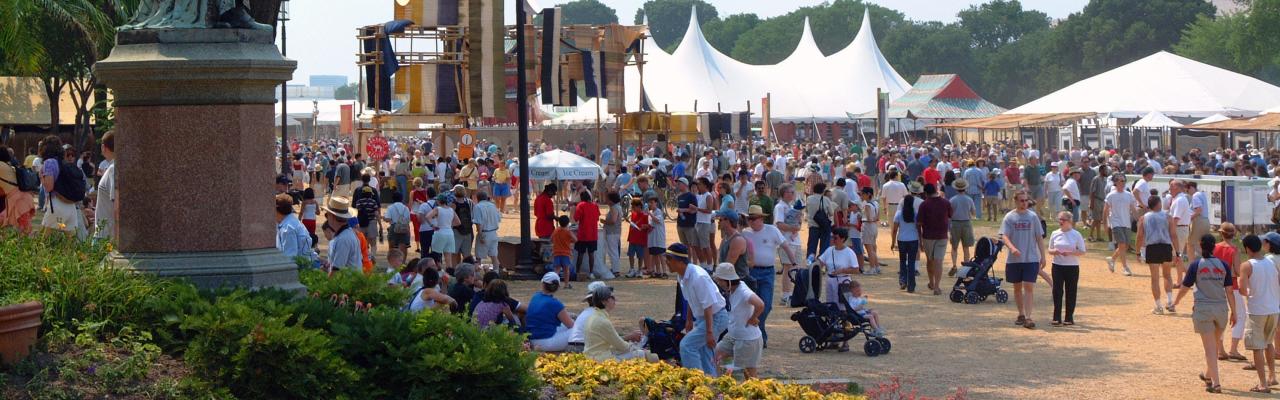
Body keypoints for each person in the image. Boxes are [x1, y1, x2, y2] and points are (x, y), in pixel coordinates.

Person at [1171, 234, 1235, 393]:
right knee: (1213, 347)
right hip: (1221, 310)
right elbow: (1229, 291)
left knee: (1210, 350)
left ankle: (1216, 383)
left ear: (1200, 246)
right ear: (1214, 247)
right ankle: (1208, 375)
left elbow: (1185, 287)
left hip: (1203, 310)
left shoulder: (1196, 265)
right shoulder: (1224, 265)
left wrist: (1176, 302)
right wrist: (1235, 312)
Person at [666, 243, 729, 377]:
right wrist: (689, 320)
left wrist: (710, 332)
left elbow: (708, 305)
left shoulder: (698, 277)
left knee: (687, 346)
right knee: (704, 352)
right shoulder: (681, 275)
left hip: (715, 317)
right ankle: (710, 386)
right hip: (704, 318)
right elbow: (690, 299)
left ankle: (696, 381)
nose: (666, 262)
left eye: (668, 259)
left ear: (678, 261)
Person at [740, 205, 791, 346]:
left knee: (766, 305)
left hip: (768, 272)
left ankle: (758, 330)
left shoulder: (772, 230)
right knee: (752, 305)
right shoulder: (745, 233)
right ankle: (759, 335)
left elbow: (785, 246)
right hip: (751, 272)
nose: (751, 221)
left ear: (761, 218)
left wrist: (793, 263)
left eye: (754, 218)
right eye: (750, 219)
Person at [1236, 234, 1279, 393]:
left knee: (1257, 347)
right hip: (1273, 308)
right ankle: (1272, 376)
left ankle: (1262, 383)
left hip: (1257, 310)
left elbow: (1243, 290)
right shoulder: (1271, 262)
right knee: (1268, 343)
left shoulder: (1247, 265)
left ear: (1247, 248)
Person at [1001, 190, 1046, 329]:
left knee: (1029, 287)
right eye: (1021, 200)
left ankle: (1028, 317)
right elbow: (1004, 236)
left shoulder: (1033, 217)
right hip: (1014, 259)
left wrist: (1043, 256)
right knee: (1017, 288)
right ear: (1016, 201)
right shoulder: (1009, 217)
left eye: (1026, 201)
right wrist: (1012, 248)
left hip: (1031, 258)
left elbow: (1039, 237)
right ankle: (1020, 314)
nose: (1024, 203)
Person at [711, 263, 764, 378]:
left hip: (747, 340)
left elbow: (760, 304)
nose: (718, 283)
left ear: (727, 281)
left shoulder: (744, 292)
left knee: (748, 375)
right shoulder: (733, 288)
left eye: (720, 281)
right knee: (714, 356)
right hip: (733, 336)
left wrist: (753, 317)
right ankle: (720, 386)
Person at [582, 282, 657, 362]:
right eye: (612, 297)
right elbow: (621, 346)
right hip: (601, 359)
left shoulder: (593, 317)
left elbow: (613, 343)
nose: (615, 300)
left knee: (639, 352)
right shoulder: (602, 321)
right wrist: (635, 347)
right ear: (604, 301)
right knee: (643, 354)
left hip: (592, 356)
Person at [37, 136, 87, 238]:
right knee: (71, 242)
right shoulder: (63, 162)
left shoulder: (49, 162)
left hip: (56, 205)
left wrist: (41, 177)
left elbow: (49, 187)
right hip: (70, 206)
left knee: (43, 240)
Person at [1137, 195, 1179, 314]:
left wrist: (1137, 251)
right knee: (1167, 275)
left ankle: (1158, 306)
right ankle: (1170, 302)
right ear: (1159, 203)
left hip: (1152, 247)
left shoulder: (1144, 218)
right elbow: (1173, 235)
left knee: (1155, 278)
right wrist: (1178, 251)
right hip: (1165, 247)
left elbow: (1140, 236)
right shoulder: (1167, 217)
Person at [1215, 223, 1248, 361]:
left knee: (1220, 317)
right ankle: (1233, 349)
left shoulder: (1215, 247)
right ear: (1233, 234)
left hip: (1216, 285)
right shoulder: (1234, 250)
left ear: (1221, 233)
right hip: (1232, 286)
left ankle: (1220, 349)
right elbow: (1237, 270)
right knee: (1240, 315)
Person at [1048, 211, 1086, 326]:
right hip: (1057, 266)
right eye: (1059, 219)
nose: (1060, 222)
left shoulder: (1076, 234)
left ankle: (1069, 317)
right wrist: (1055, 251)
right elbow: (1050, 250)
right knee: (1057, 291)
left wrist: (1070, 252)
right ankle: (1056, 317)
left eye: (1063, 220)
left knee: (1071, 291)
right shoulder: (1055, 233)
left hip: (1072, 267)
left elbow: (1082, 251)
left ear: (1069, 221)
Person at [527, 272, 576, 352]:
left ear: (543, 284)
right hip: (546, 343)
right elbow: (571, 326)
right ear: (558, 287)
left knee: (564, 325)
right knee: (578, 329)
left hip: (532, 340)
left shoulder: (535, 296)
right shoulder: (556, 303)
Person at [917, 183, 952, 295]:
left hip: (928, 236)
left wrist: (920, 239)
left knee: (930, 260)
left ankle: (931, 282)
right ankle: (937, 286)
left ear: (926, 193)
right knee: (938, 261)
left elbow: (919, 223)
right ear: (936, 190)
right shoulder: (945, 202)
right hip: (942, 236)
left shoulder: (924, 204)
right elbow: (951, 215)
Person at [773, 185, 803, 305]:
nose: (793, 194)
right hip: (785, 241)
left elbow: (797, 223)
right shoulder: (780, 207)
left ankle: (793, 293)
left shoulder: (791, 206)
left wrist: (798, 225)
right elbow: (779, 224)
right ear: (784, 193)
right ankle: (785, 294)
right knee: (787, 268)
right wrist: (793, 228)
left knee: (796, 268)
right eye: (791, 192)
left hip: (795, 240)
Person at [818, 228, 860, 314]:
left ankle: (845, 323)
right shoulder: (829, 250)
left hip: (843, 281)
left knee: (843, 305)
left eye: (835, 238)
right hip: (830, 280)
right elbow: (820, 263)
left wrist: (842, 270)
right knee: (830, 303)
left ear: (842, 239)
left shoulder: (849, 252)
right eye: (832, 237)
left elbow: (856, 270)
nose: (833, 240)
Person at [891, 182, 923, 293]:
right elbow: (919, 229)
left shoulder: (899, 213)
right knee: (911, 262)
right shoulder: (916, 213)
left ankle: (903, 280)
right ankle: (911, 285)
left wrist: (892, 241)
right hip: (913, 240)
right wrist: (921, 241)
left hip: (902, 240)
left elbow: (895, 229)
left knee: (902, 261)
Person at [1103, 174, 1136, 276]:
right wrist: (1105, 224)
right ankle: (1125, 267)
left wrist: (1139, 219)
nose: (1122, 183)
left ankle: (1112, 259)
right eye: (1120, 181)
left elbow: (1133, 209)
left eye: (1123, 181)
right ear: (1116, 182)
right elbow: (1105, 211)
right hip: (1115, 222)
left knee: (1125, 246)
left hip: (1126, 223)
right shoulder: (1111, 195)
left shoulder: (1129, 195)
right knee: (1121, 244)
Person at [322, 196, 363, 270]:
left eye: (327, 215)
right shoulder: (346, 233)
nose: (327, 218)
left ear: (332, 216)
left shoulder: (343, 239)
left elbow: (336, 271)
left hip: (346, 281)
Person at [424, 192, 461, 268]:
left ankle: (438, 272)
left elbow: (427, 217)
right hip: (450, 233)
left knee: (436, 255)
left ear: (438, 201)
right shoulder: (451, 210)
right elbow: (458, 222)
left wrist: (432, 225)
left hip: (440, 232)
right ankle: (449, 272)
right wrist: (449, 225)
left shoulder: (438, 209)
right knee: (448, 257)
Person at [948, 179, 977, 277]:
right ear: (965, 188)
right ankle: (966, 268)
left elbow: (949, 213)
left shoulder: (952, 199)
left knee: (954, 247)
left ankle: (954, 265)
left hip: (955, 223)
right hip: (966, 223)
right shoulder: (969, 199)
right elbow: (973, 212)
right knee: (966, 247)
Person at [275, 193, 312, 259]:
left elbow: (290, 257)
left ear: (276, 210)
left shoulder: (288, 229)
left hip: (299, 267)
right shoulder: (292, 221)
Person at [93, 132, 116, 240]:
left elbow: (116, 202)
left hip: (105, 235)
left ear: (103, 147)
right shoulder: (115, 167)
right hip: (109, 233)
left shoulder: (113, 169)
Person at [805, 183, 837, 257]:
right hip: (824, 226)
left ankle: (810, 264)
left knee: (811, 247)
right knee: (824, 247)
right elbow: (831, 213)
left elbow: (807, 210)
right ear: (823, 191)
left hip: (813, 225)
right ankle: (820, 264)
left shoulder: (809, 198)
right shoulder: (826, 199)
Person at [472, 191, 502, 268]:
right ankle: (496, 272)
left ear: (477, 198)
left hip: (484, 233)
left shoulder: (478, 207)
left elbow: (479, 223)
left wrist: (481, 235)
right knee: (494, 256)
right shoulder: (493, 206)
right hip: (494, 233)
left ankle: (478, 273)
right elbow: (498, 219)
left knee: (479, 257)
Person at [858, 187, 882, 275]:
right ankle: (877, 267)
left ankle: (872, 268)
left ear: (868, 194)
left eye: (863, 194)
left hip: (867, 226)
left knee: (869, 249)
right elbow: (877, 217)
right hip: (874, 227)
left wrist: (861, 217)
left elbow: (869, 218)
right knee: (873, 248)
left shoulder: (867, 205)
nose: (862, 196)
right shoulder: (876, 203)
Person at [383, 191, 413, 257]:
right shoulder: (406, 208)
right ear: (401, 199)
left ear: (393, 199)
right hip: (404, 228)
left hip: (394, 227)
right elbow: (408, 220)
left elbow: (388, 219)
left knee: (392, 248)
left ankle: (393, 263)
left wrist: (383, 218)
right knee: (404, 248)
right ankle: (403, 264)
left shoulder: (390, 207)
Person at [625, 198, 649, 278]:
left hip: (640, 239)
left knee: (640, 256)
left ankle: (639, 270)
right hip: (632, 238)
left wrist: (645, 226)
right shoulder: (633, 214)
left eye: (634, 207)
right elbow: (632, 223)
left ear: (639, 206)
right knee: (631, 254)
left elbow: (648, 226)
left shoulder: (645, 216)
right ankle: (632, 269)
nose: (633, 209)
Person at [646, 196, 668, 278]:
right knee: (654, 255)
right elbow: (651, 224)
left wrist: (650, 214)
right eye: (649, 203)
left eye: (652, 202)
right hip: (652, 237)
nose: (650, 204)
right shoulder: (651, 212)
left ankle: (664, 272)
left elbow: (657, 220)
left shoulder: (659, 212)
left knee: (661, 255)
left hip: (659, 237)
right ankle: (657, 271)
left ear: (656, 203)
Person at [602, 192, 624, 277]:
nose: (606, 200)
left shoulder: (614, 208)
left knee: (613, 251)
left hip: (612, 232)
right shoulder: (617, 207)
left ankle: (616, 270)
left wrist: (604, 221)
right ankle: (615, 268)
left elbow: (613, 221)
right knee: (613, 250)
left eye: (607, 198)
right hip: (615, 232)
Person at [551, 215, 576, 288]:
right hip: (565, 253)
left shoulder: (556, 230)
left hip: (556, 252)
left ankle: (554, 284)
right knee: (566, 269)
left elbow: (551, 239)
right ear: (568, 223)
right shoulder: (568, 231)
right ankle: (566, 284)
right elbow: (575, 239)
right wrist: (569, 241)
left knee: (557, 270)